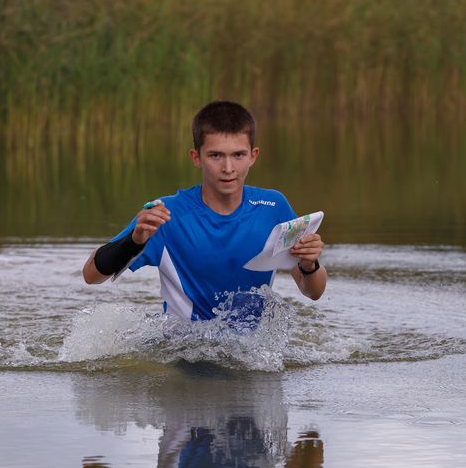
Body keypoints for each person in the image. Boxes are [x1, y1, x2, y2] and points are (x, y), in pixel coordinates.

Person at [81, 101, 326, 321]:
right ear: (196, 157)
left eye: (238, 155)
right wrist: (134, 241)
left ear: (253, 156)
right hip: (183, 355)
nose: (228, 168)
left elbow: (313, 291)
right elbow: (91, 275)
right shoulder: (165, 214)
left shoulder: (274, 207)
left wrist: (309, 264)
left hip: (253, 356)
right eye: (216, 155)